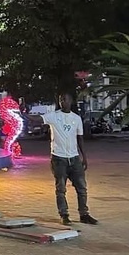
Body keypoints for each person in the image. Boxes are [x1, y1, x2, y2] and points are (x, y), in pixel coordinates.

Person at [42, 93, 98, 226]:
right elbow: (37, 119)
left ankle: (84, 214)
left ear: (71, 101)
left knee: (82, 187)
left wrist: (84, 157)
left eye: (65, 99)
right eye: (60, 99)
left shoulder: (76, 118)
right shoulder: (54, 116)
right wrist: (21, 112)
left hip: (74, 159)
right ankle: (64, 214)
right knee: (61, 188)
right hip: (59, 159)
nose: (62, 102)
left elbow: (80, 138)